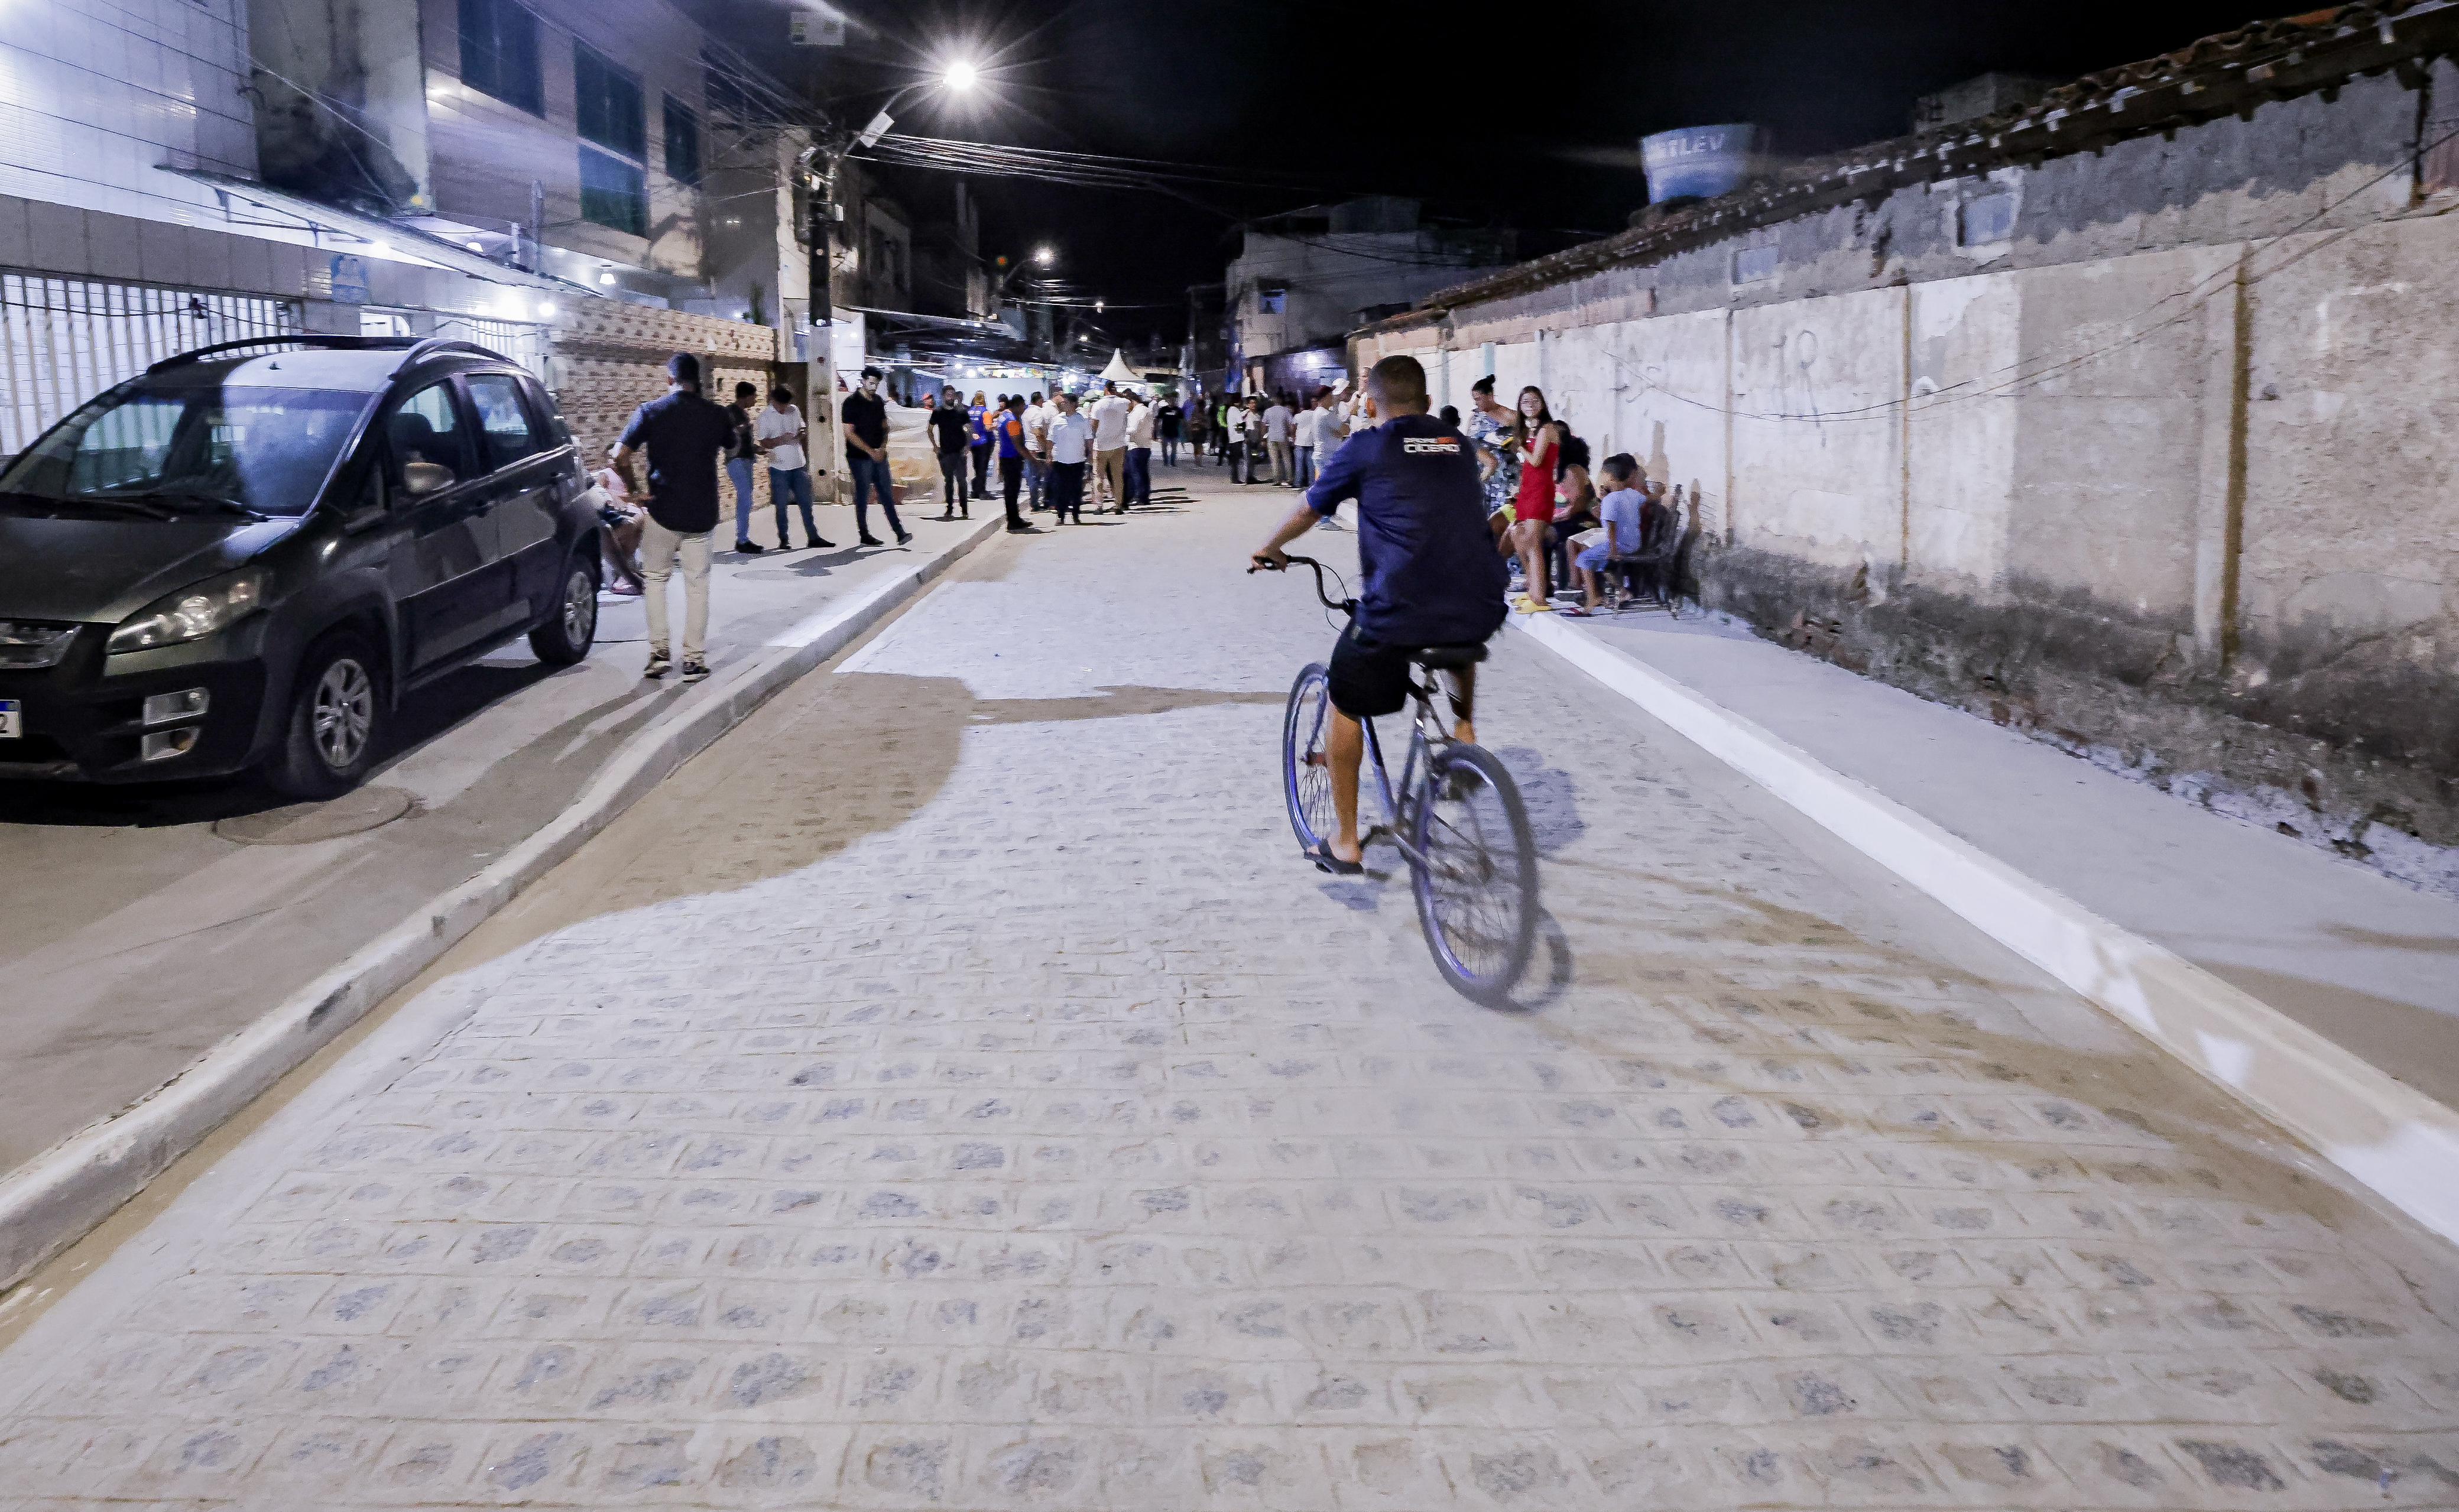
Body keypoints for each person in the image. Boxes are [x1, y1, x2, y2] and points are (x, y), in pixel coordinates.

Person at [1248, 355, 1507, 872]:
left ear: (1369, 403)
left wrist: (1270, 547)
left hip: (1399, 609)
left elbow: (1309, 508)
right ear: (1429, 403)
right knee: (1452, 612)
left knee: (1346, 697)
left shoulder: (1366, 445)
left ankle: (1346, 842)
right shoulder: (1455, 444)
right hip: (1480, 603)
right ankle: (1464, 729)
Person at [612, 351, 734, 682]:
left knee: (655, 581)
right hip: (702, 513)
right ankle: (693, 660)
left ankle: (659, 654)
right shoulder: (717, 414)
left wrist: (637, 492)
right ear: (699, 382)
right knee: (697, 586)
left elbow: (620, 457)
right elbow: (732, 445)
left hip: (661, 510)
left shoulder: (650, 412)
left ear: (670, 380)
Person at [1563, 454, 1646, 615]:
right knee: (1603, 565)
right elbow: (1649, 499)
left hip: (1620, 544)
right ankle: (1623, 592)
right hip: (1635, 542)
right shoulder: (1633, 495)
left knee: (1583, 559)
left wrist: (1613, 549)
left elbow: (1612, 526)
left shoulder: (1610, 500)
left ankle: (1593, 598)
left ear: (1609, 476)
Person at [1507, 385, 1562, 612]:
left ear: (1542, 403)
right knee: (1518, 535)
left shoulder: (1548, 429)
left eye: (1534, 400)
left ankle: (1539, 598)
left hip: (1540, 491)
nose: (1529, 405)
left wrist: (1520, 446)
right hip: (1528, 491)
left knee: (1533, 542)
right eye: (1524, 402)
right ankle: (1533, 589)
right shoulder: (1532, 431)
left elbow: (1537, 461)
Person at [842, 366, 911, 547]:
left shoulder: (878, 402)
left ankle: (900, 532)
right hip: (859, 457)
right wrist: (870, 451)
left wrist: (882, 447)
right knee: (863, 494)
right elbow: (849, 433)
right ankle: (864, 533)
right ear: (863, 381)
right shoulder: (851, 402)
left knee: (886, 493)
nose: (874, 386)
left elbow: (884, 427)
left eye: (877, 383)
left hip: (879, 454)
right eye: (871, 382)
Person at [757, 385, 825, 550]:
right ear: (773, 400)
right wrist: (780, 440)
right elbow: (763, 441)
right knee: (781, 506)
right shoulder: (765, 417)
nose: (784, 408)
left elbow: (802, 428)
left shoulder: (794, 410)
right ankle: (784, 539)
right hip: (779, 467)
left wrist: (800, 434)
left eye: (786, 405)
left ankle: (813, 537)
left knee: (806, 503)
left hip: (799, 464)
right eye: (781, 405)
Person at [588, 458, 645, 595]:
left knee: (639, 521)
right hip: (605, 513)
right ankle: (623, 578)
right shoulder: (605, 474)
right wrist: (615, 496)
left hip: (614, 511)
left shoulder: (625, 475)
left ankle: (624, 576)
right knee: (622, 526)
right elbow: (600, 490)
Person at [724, 381, 764, 554]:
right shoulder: (730, 412)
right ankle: (742, 540)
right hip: (736, 460)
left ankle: (743, 538)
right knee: (745, 499)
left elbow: (745, 440)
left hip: (746, 459)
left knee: (746, 500)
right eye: (754, 397)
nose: (755, 401)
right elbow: (726, 435)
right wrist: (739, 430)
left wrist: (757, 449)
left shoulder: (743, 414)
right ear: (746, 396)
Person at [1043, 391, 1092, 523]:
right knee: (1060, 488)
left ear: (1074, 404)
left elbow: (1089, 440)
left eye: (1065, 402)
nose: (1063, 404)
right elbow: (1050, 439)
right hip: (1060, 460)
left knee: (1076, 488)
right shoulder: (1057, 420)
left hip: (1078, 460)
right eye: (1062, 402)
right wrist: (1048, 456)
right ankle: (1061, 515)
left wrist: (1091, 456)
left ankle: (1076, 515)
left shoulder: (1083, 420)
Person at [928, 388, 972, 519]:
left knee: (962, 481)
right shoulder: (938, 412)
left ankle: (964, 509)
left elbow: (970, 429)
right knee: (949, 482)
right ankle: (949, 508)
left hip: (959, 451)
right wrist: (935, 446)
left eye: (952, 395)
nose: (951, 397)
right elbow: (929, 430)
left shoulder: (961, 412)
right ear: (943, 396)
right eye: (948, 395)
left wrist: (967, 446)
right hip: (946, 452)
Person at [1088, 381, 1130, 512]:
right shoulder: (1124, 403)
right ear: (1115, 389)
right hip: (1119, 445)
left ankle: (1099, 505)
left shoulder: (1098, 405)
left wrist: (1091, 440)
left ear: (1105, 389)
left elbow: (1094, 425)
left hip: (1101, 445)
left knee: (1098, 476)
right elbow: (1129, 406)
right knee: (1117, 476)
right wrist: (1118, 394)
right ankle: (1118, 505)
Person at [994, 393, 1030, 531]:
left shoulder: (1004, 416)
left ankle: (1015, 518)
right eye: (1023, 406)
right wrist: (1033, 460)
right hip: (1012, 459)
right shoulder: (1012, 421)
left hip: (1006, 457)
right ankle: (1013, 521)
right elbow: (1018, 444)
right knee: (1012, 491)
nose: (1024, 409)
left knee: (1010, 491)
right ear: (1019, 405)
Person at [1124, 391, 1155, 510]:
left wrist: (1123, 430)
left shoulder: (1137, 412)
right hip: (1146, 445)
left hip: (1135, 445)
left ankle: (1139, 496)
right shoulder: (1147, 410)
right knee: (1143, 472)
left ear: (1131, 401)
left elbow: (1134, 429)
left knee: (1135, 472)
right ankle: (1144, 496)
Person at [1022, 391, 1052, 510]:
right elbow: (1038, 432)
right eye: (1042, 400)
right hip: (1038, 448)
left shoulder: (1026, 412)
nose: (1043, 403)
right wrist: (1046, 446)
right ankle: (1038, 502)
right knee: (1042, 476)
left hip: (1029, 446)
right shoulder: (1038, 414)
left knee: (1032, 476)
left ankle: (1035, 502)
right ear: (1039, 400)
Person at [1264, 392, 1295, 486]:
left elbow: (1263, 425)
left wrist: (1263, 438)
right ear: (1281, 401)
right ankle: (1289, 479)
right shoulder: (1286, 411)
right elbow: (1291, 424)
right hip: (1283, 437)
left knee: (1274, 459)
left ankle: (1277, 480)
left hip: (1272, 437)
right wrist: (1292, 435)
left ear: (1274, 401)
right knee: (1286, 458)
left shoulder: (1268, 411)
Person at [966, 390, 993, 496]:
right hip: (984, 442)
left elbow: (967, 427)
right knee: (983, 467)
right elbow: (988, 428)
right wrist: (996, 425)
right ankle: (981, 490)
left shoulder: (969, 411)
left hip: (973, 443)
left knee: (977, 467)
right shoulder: (986, 413)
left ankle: (975, 490)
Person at [1156, 390, 1182, 466]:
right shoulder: (1163, 410)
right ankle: (1166, 461)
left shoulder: (1178, 410)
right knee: (1164, 448)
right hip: (1165, 431)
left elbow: (1182, 420)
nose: (1172, 401)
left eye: (1173, 400)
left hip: (1174, 431)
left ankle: (1173, 462)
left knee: (1174, 448)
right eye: (1171, 400)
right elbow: (1158, 420)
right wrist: (1157, 430)